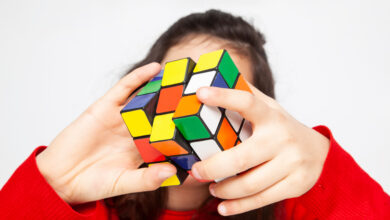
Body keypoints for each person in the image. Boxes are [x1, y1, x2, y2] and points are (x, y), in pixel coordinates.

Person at [0, 9, 389, 220]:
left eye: (219, 101)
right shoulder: (85, 209)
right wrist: (51, 185)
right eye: (175, 86)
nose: (190, 115)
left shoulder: (293, 208)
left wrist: (326, 170)